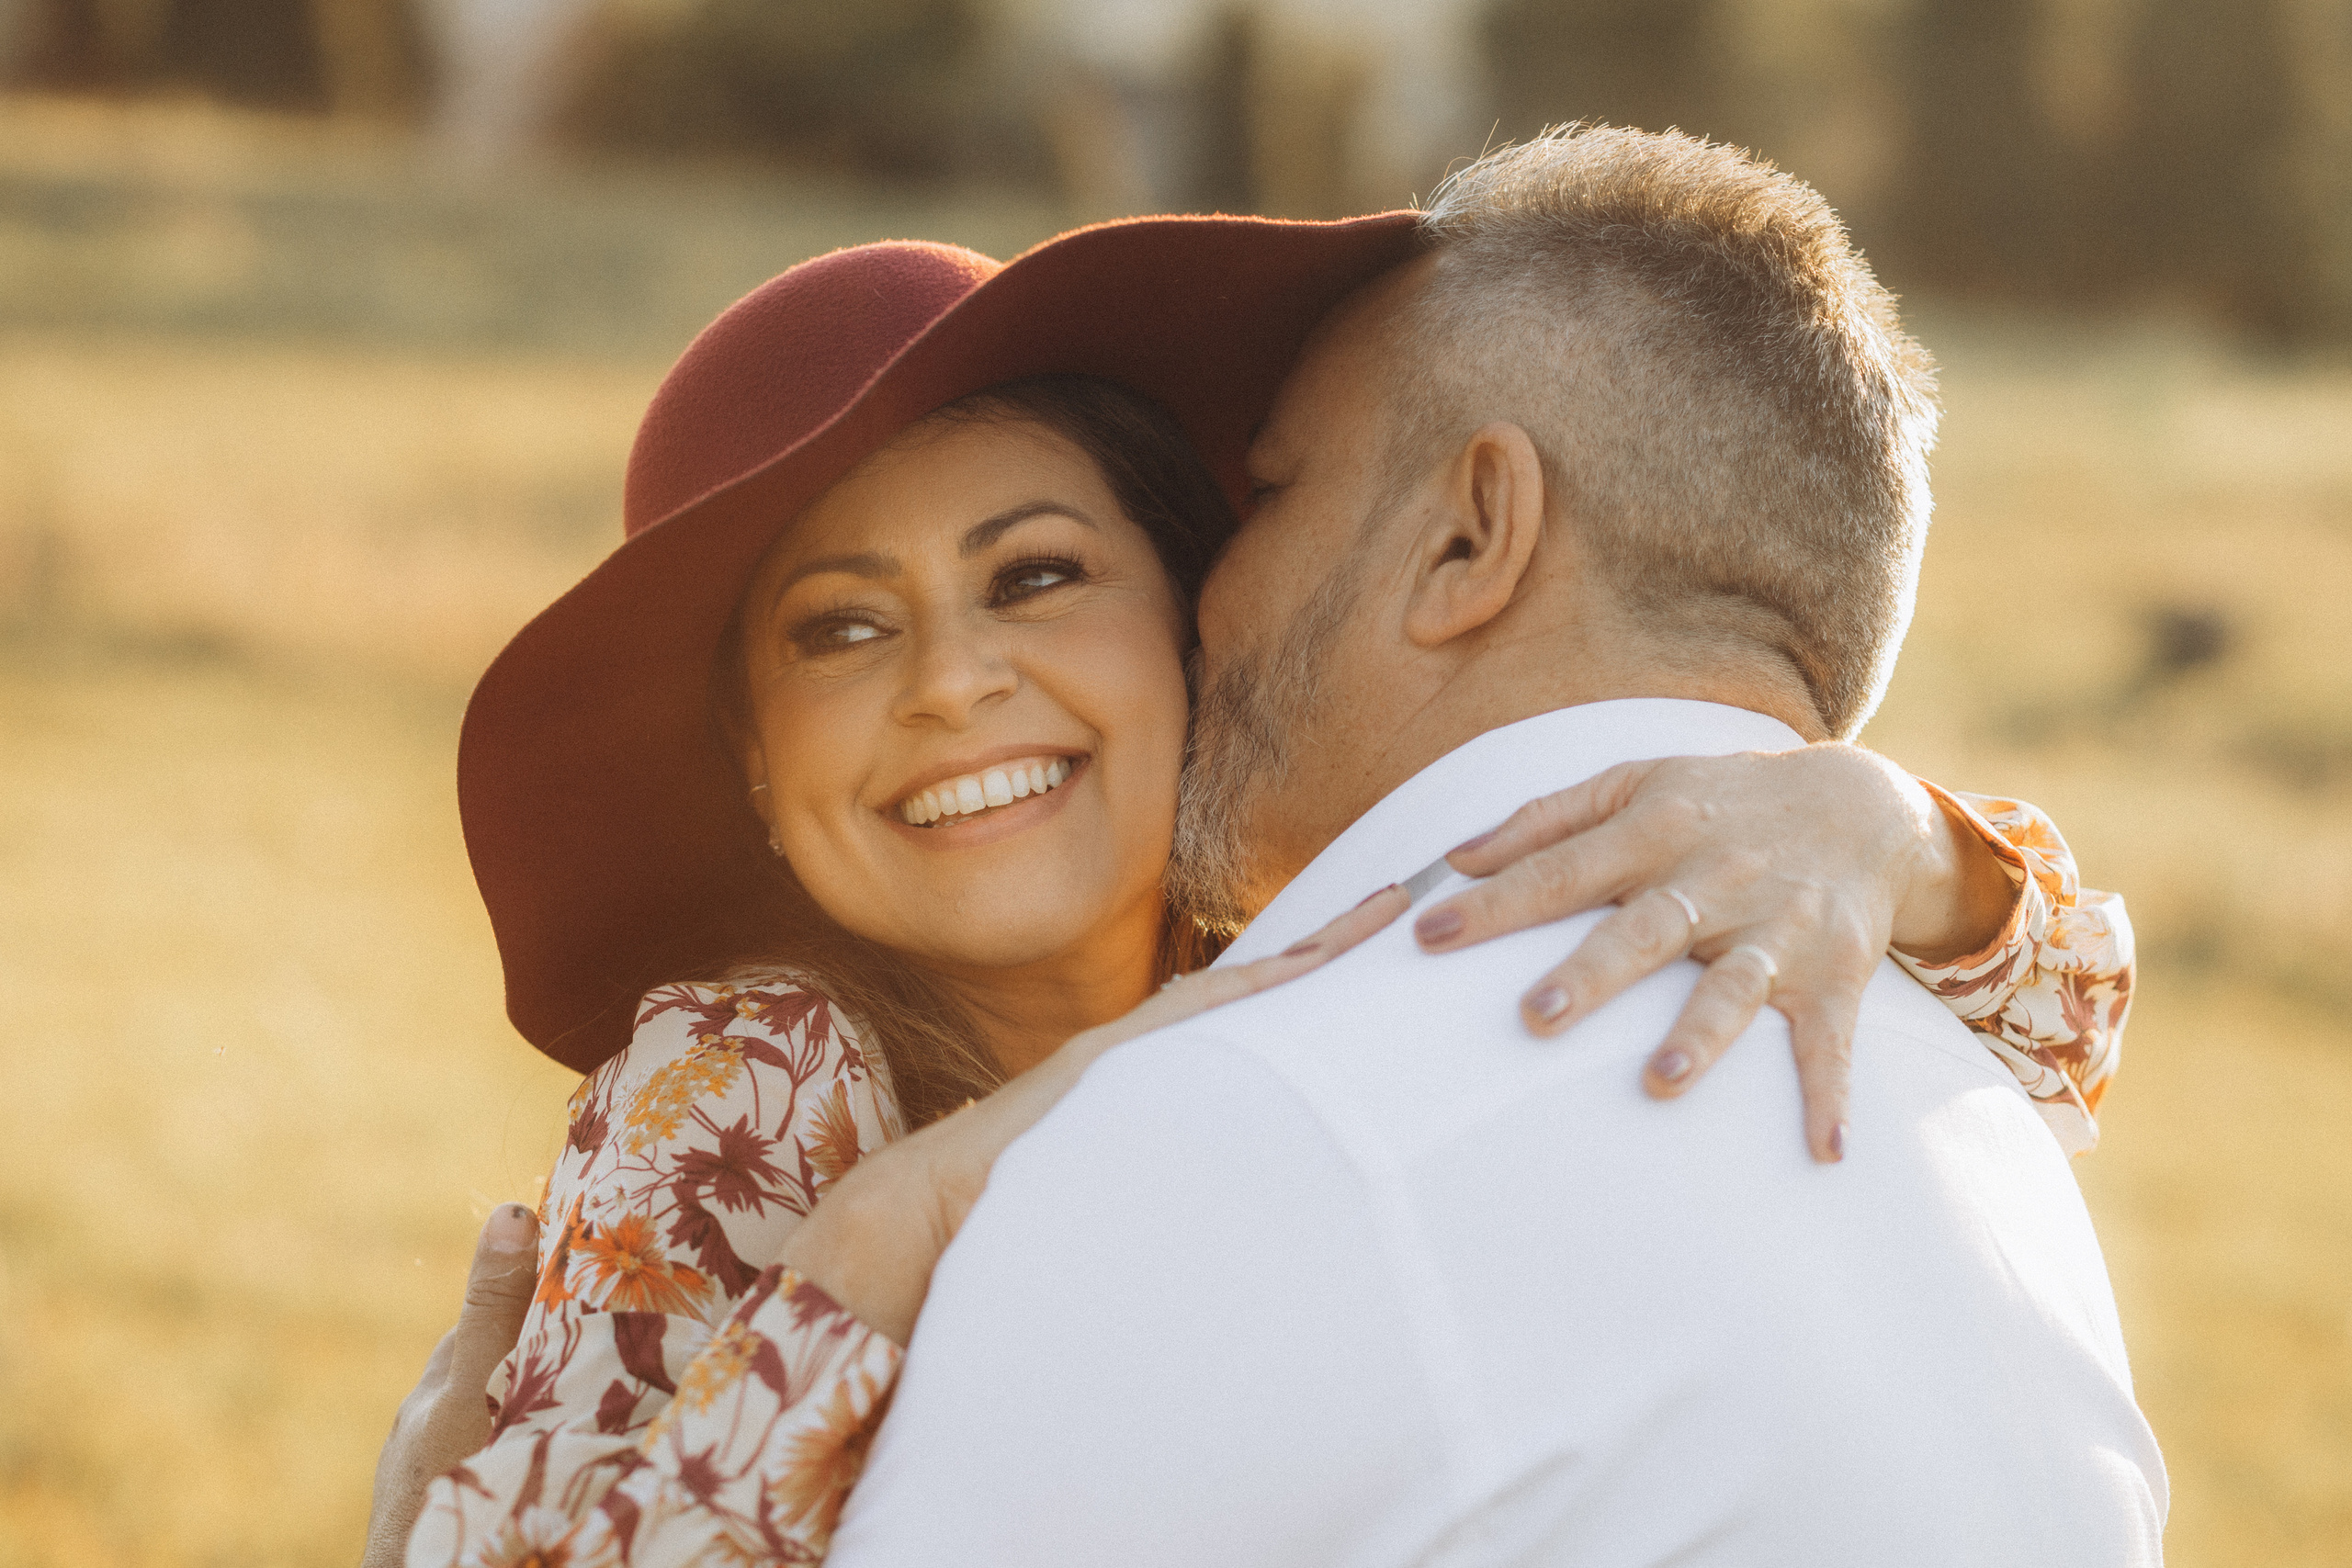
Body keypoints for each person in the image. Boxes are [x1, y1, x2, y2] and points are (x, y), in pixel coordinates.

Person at [378, 130, 2140, 1566]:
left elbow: (2059, 1023)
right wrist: (901, 1220)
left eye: (1039, 576)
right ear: (760, 778)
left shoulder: (1312, 949)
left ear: (1183, 625)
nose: (955, 685)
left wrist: (1879, 824)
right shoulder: (743, 1086)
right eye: (840, 633)